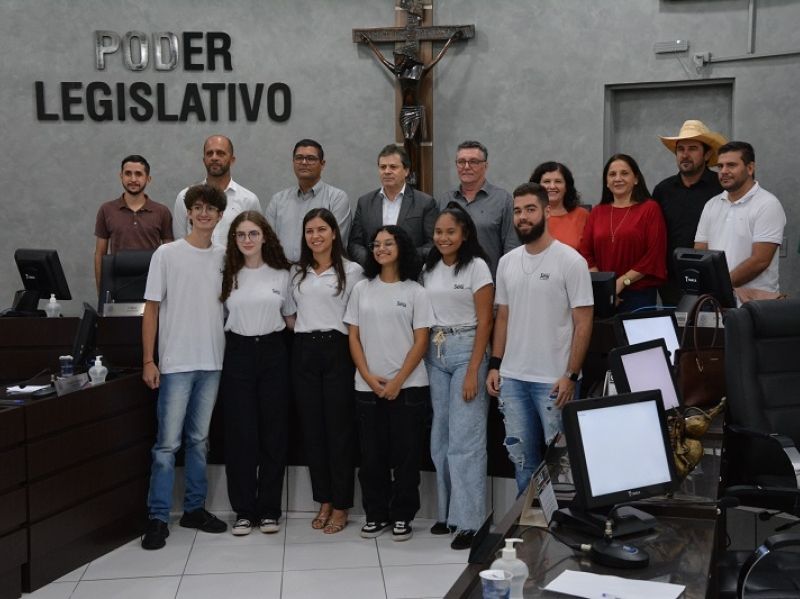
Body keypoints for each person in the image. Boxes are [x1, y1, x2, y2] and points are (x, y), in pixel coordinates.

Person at [487, 182, 593, 495]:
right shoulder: (507, 262)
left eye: (530, 209)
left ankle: (562, 532)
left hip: (553, 381)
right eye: (518, 211)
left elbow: (584, 322)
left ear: (546, 211)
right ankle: (526, 532)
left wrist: (571, 374)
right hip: (513, 379)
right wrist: (495, 364)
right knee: (522, 462)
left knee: (561, 464)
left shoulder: (571, 261)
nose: (523, 217)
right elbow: (502, 317)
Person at [141, 184, 228, 550]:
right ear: (188, 213)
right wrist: (149, 359)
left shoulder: (226, 257)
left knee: (199, 441)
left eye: (211, 209)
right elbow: (152, 308)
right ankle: (158, 517)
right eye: (198, 208)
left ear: (221, 216)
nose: (205, 214)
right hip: (176, 363)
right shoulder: (166, 254)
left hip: (212, 362)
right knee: (167, 445)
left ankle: (194, 509)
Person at [344, 225, 434, 542]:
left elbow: (422, 341)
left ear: (402, 247)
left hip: (409, 389)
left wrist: (397, 381)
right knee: (371, 458)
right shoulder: (361, 289)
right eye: (376, 243)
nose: (380, 248)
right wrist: (368, 376)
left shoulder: (415, 292)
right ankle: (376, 515)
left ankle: (402, 516)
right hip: (367, 388)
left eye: (388, 243)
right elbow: (353, 337)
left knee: (406, 458)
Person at [421, 203, 493, 550]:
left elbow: (486, 322)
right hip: (435, 352)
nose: (443, 237)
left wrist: (473, 371)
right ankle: (447, 513)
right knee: (441, 437)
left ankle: (471, 522)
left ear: (464, 234)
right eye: (438, 231)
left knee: (466, 440)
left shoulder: (477, 267)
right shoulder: (429, 267)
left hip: (468, 351)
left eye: (450, 231)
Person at [220, 211, 295, 536]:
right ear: (234, 240)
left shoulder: (282, 274)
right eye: (241, 235)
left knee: (273, 434)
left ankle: (269, 510)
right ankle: (243, 511)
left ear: (265, 236)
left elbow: (292, 320)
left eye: (253, 233)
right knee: (241, 434)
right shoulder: (227, 273)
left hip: (274, 353)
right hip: (237, 353)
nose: (247, 240)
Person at [291, 208, 364, 535]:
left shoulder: (353, 271)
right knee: (312, 431)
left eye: (322, 229)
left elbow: (355, 322)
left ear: (334, 233)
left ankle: (341, 504)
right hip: (304, 351)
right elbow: (290, 315)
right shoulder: (298, 272)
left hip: (338, 351)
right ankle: (323, 498)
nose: (316, 236)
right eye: (310, 231)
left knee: (338, 431)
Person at [694, 141, 786, 302]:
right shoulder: (711, 204)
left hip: (755, 305)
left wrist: (719, 286)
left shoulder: (767, 204)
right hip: (716, 302)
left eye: (731, 165)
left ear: (750, 168)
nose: (724, 171)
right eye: (720, 166)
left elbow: (760, 260)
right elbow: (700, 252)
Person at [579, 154, 667, 313]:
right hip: (603, 296)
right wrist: (603, 287)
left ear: (636, 179)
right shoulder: (597, 212)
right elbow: (586, 252)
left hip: (639, 295)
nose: (618, 178)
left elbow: (654, 254)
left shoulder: (649, 209)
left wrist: (621, 282)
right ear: (606, 182)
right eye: (612, 174)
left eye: (624, 173)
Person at [654, 120, 726, 305]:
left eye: (692, 148)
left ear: (707, 153)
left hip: (710, 279)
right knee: (675, 332)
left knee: (707, 333)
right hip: (670, 281)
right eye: (681, 149)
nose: (685, 155)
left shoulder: (721, 188)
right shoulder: (663, 190)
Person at [348, 144, 438, 267]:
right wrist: (372, 260)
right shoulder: (365, 203)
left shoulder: (425, 203)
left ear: (406, 171)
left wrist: (403, 258)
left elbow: (433, 244)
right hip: (373, 275)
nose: (387, 171)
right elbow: (354, 244)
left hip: (410, 275)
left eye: (393, 167)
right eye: (383, 167)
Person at [94, 154, 173, 290]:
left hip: (152, 285)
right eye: (128, 174)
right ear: (121, 176)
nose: (133, 179)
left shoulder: (162, 211)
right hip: (117, 285)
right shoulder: (106, 210)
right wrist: (102, 293)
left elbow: (170, 255)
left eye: (138, 174)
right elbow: (100, 254)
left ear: (148, 179)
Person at [440, 141, 518, 277]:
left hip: (489, 283)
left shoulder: (503, 200)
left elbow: (512, 248)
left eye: (474, 162)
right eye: (461, 161)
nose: (466, 167)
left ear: (485, 166)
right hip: (449, 282)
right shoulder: (445, 200)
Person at [266, 139, 352, 262]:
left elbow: (336, 243)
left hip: (322, 274)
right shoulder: (278, 200)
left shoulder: (336, 198)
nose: (304, 162)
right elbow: (268, 243)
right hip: (282, 273)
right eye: (299, 158)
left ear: (322, 164)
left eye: (311, 158)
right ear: (293, 162)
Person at [172, 135, 260, 247]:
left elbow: (255, 243)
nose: (214, 157)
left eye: (220, 153)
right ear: (204, 160)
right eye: (209, 153)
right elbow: (180, 243)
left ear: (232, 160)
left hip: (233, 264)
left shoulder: (249, 200)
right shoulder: (185, 197)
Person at [529, 161, 589, 251]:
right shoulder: (529, 216)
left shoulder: (582, 215)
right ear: (537, 187)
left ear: (566, 187)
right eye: (546, 181)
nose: (552, 186)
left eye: (558, 181)